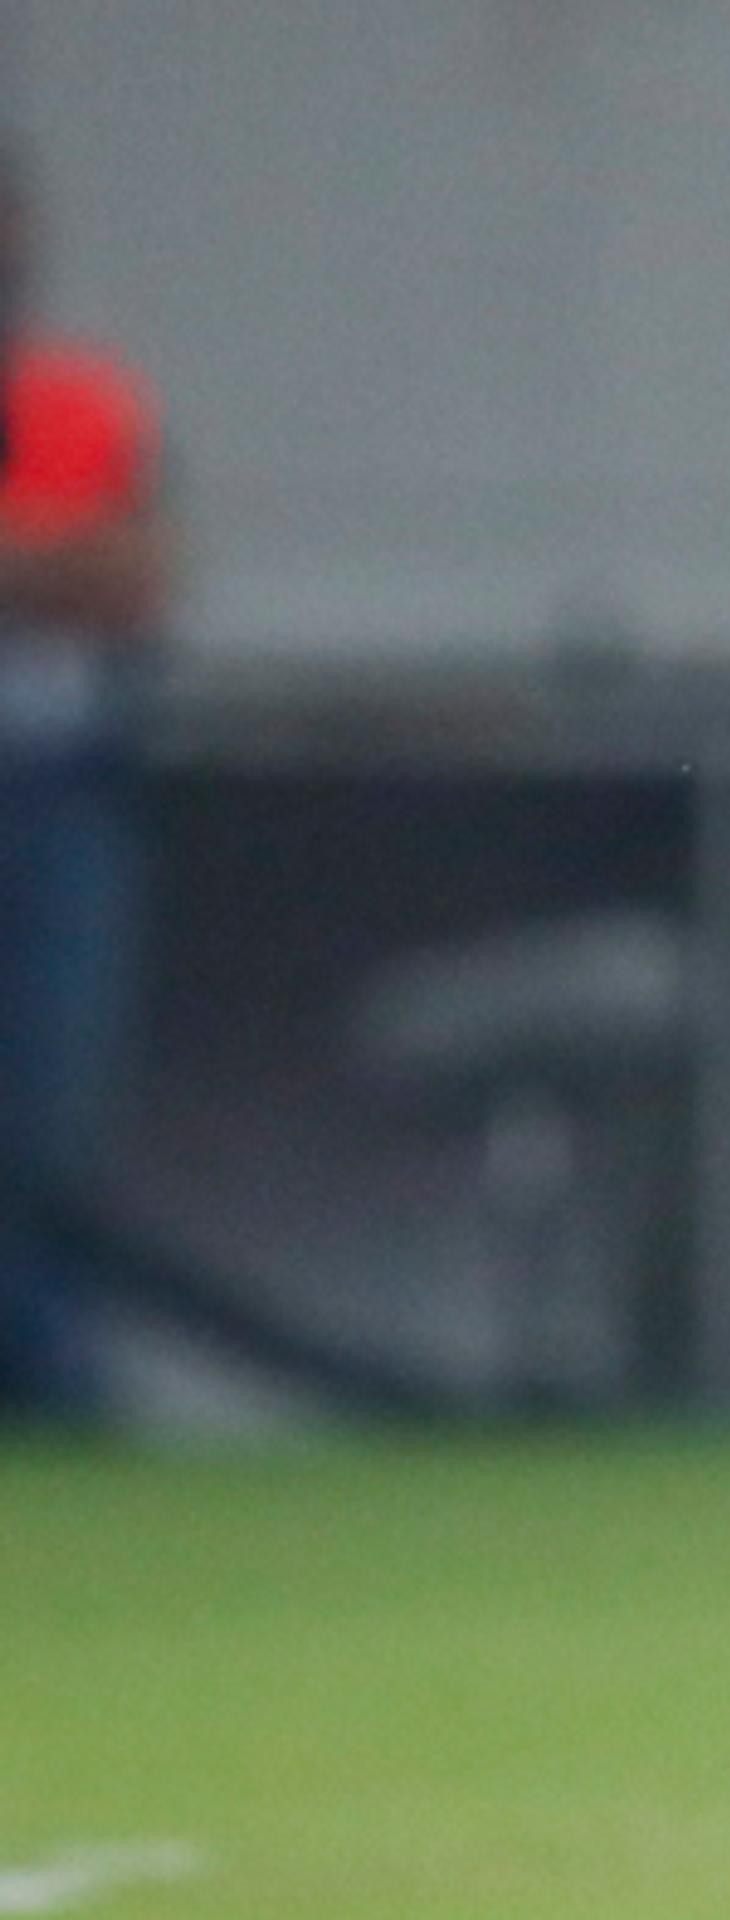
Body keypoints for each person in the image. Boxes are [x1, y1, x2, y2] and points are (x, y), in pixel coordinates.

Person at [0, 139, 168, 1416]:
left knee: (46, 1109)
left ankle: (47, 1374)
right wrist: (50, 564)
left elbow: (136, 579)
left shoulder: (80, 401)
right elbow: (80, 567)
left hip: (53, 790)